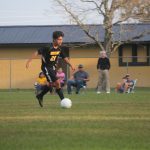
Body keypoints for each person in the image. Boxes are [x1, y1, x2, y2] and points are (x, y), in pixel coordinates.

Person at [26, 31, 75, 107]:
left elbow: (65, 58)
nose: (61, 41)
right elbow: (37, 52)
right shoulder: (48, 47)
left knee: (51, 84)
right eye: (59, 39)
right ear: (54, 39)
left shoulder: (59, 49)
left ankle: (40, 96)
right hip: (46, 67)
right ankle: (63, 100)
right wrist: (29, 62)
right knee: (57, 83)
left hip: (53, 68)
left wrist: (71, 65)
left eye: (61, 39)